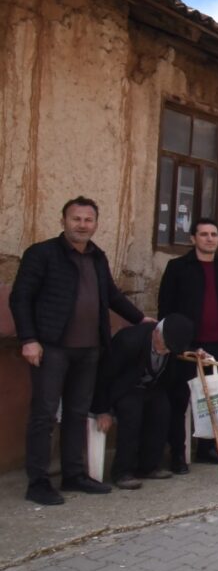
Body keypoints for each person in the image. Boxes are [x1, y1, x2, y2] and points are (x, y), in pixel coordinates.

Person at [10, 197, 152, 505]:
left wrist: (140, 319)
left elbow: (112, 295)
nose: (82, 225)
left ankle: (73, 474)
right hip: (51, 346)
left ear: (96, 224)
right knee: (44, 415)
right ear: (63, 221)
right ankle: (38, 481)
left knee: (76, 413)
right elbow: (21, 298)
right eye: (76, 219)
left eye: (88, 220)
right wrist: (28, 339)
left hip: (89, 348)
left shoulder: (97, 257)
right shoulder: (42, 254)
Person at [158, 217, 218, 468]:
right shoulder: (177, 268)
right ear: (193, 239)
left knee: (215, 401)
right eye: (204, 234)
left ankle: (208, 450)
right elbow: (167, 307)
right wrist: (175, 343)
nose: (209, 239)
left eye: (214, 234)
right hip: (188, 346)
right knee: (180, 400)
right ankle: (177, 453)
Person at [90, 314, 195, 490]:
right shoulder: (128, 341)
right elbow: (104, 376)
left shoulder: (171, 348)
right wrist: (102, 410)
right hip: (124, 388)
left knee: (162, 410)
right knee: (132, 413)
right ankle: (122, 471)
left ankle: (149, 466)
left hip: (151, 387)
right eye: (165, 346)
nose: (166, 351)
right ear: (156, 333)